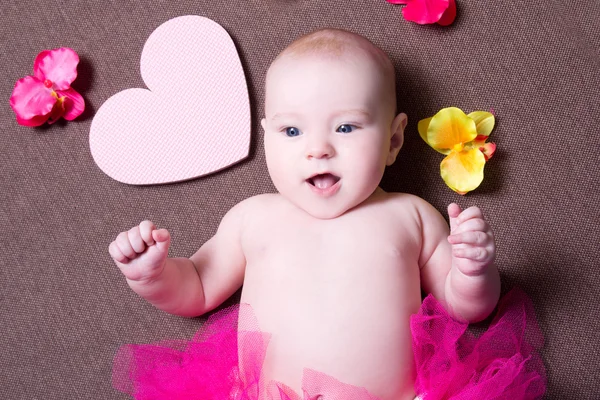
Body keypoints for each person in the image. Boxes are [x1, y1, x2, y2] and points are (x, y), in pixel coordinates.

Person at [109, 29, 545, 400]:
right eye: (292, 130)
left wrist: (472, 270)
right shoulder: (253, 218)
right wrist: (152, 276)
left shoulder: (410, 216)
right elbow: (198, 290)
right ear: (268, 138)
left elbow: (466, 310)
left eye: (346, 127)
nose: (318, 148)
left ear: (394, 141)